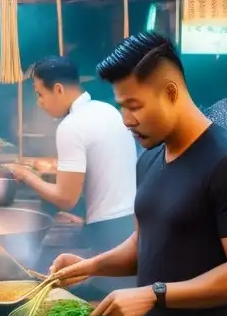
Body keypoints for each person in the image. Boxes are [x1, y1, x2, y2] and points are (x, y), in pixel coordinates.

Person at [50, 33, 227, 316]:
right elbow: (145, 243)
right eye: (121, 106)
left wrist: (155, 294)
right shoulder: (150, 159)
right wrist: (89, 266)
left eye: (134, 106)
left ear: (171, 92)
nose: (126, 119)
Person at [17, 58, 137, 286]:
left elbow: (65, 199)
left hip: (107, 230)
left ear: (59, 89)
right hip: (133, 221)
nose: (39, 102)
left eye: (40, 94)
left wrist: (27, 176)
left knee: (105, 302)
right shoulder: (107, 110)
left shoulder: (72, 126)